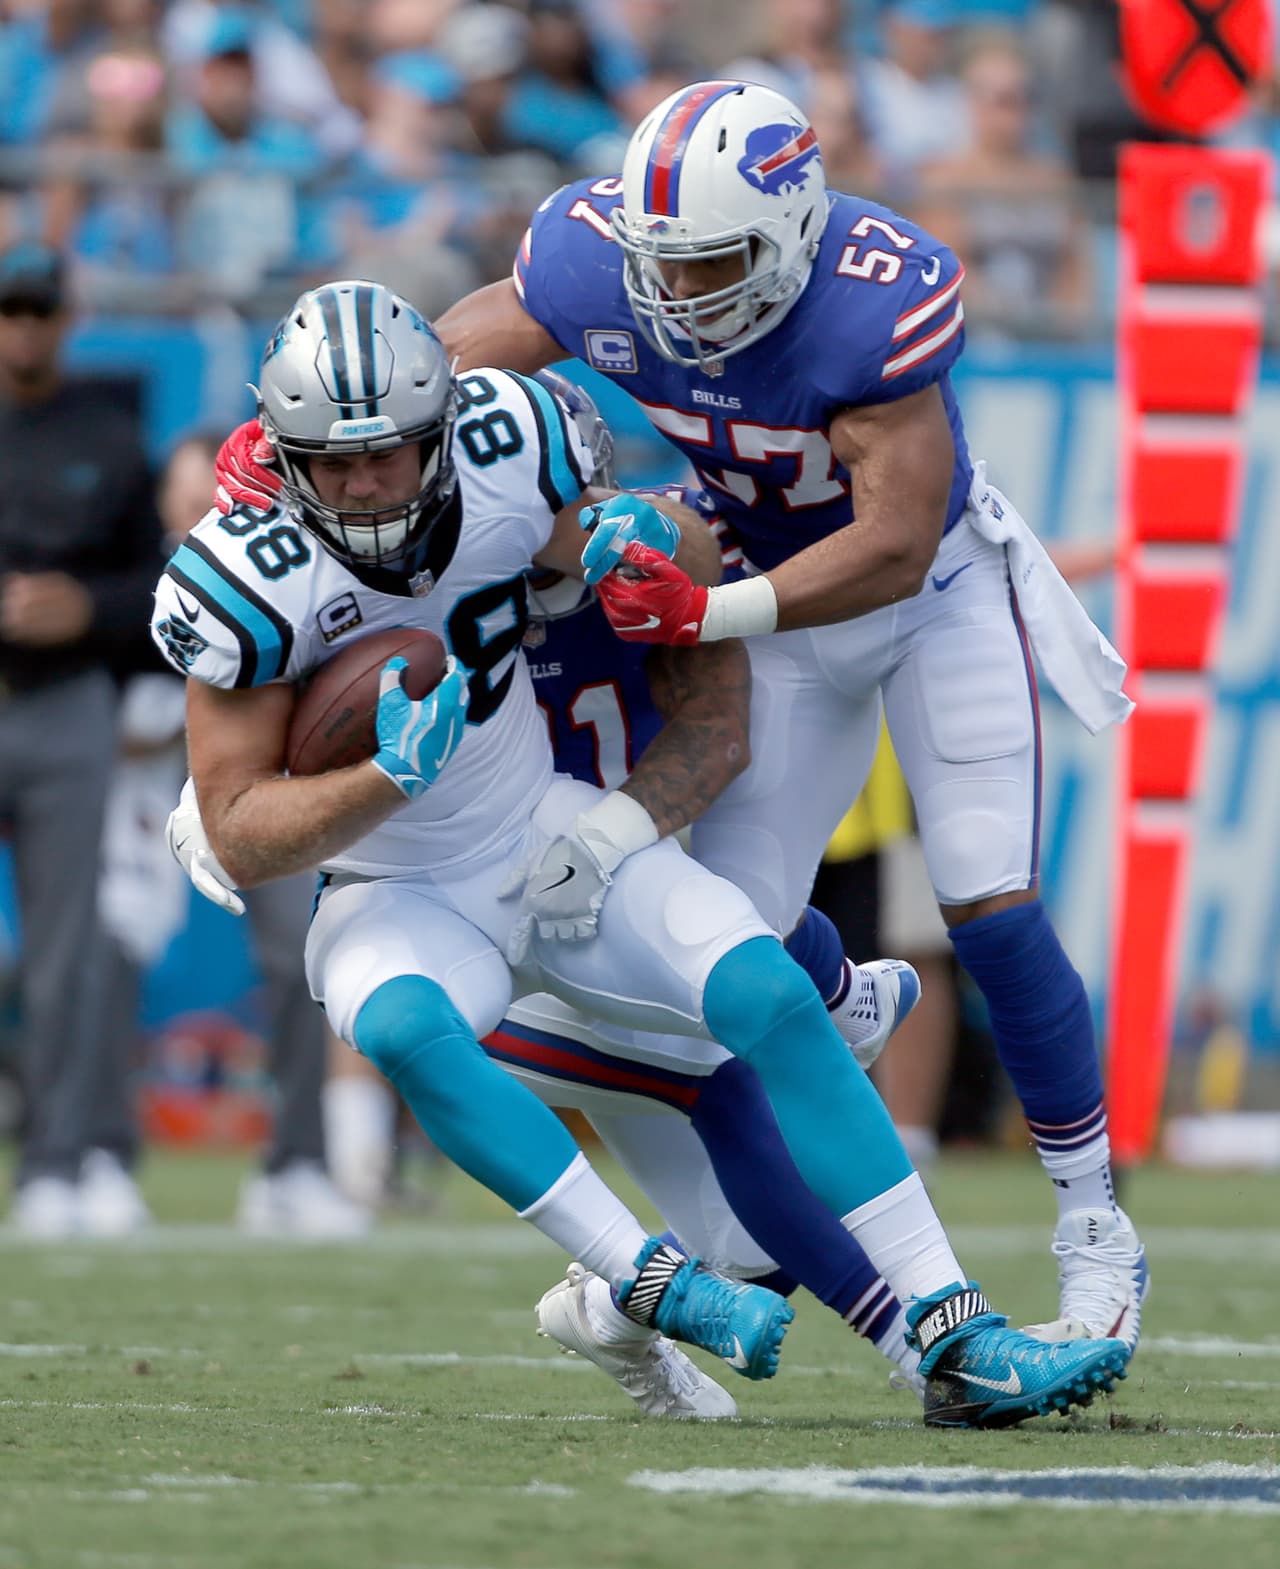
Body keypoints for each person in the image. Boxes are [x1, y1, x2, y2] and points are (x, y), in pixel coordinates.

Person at [160, 277, 1127, 1427]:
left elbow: (702, 671)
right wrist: (377, 780)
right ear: (282, 458)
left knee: (766, 990)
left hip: (547, 830)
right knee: (422, 1028)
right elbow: (234, 829)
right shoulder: (248, 578)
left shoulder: (529, 477)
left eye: (396, 456)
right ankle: (644, 1280)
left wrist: (654, 552)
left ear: (458, 436)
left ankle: (949, 1325)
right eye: (335, 463)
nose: (369, 487)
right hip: (395, 883)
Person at [430, 78, 1148, 1352]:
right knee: (727, 961)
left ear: (793, 233)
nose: (675, 296)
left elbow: (892, 541)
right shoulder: (593, 263)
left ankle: (1094, 1224)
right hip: (769, 609)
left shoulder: (872, 297)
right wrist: (315, 432)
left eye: (709, 265)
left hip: (924, 598)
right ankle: (830, 999)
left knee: (986, 899)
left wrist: (711, 617)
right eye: (661, 264)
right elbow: (448, 359)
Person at [0, 238, 165, 1236]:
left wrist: (85, 606)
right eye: (9, 309)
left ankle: (57, 1161)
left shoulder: (107, 433)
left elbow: (158, 591)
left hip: (67, 703)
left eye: (37, 310)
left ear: (66, 318)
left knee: (70, 951)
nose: (22, 327)